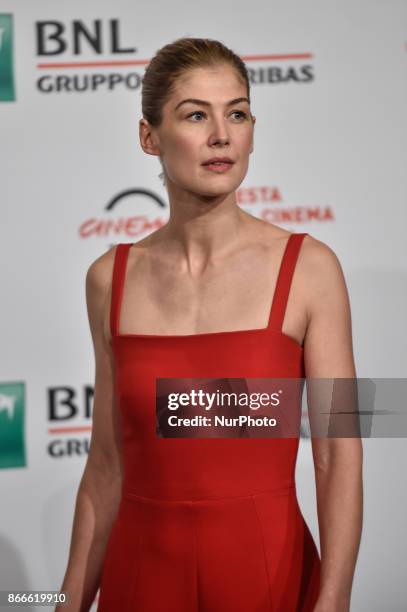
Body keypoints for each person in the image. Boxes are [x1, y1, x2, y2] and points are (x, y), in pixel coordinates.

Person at [57, 37, 363, 612]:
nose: (222, 134)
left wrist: (335, 598)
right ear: (149, 136)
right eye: (196, 114)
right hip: (140, 576)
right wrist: (67, 600)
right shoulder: (108, 277)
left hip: (268, 573)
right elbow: (105, 465)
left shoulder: (311, 268)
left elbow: (338, 453)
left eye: (238, 113)